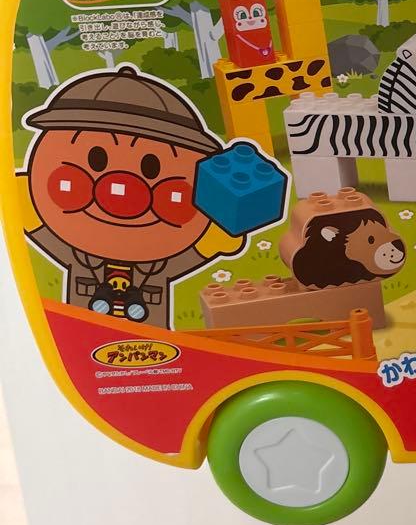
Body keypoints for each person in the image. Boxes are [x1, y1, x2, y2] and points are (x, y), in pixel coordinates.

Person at [21, 66, 254, 329]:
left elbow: (192, 254)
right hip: (85, 336)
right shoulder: (80, 258)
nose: (121, 191)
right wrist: (26, 210)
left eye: (152, 169)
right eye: (96, 160)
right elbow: (42, 231)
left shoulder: (158, 263)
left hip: (155, 340)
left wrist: (212, 238)